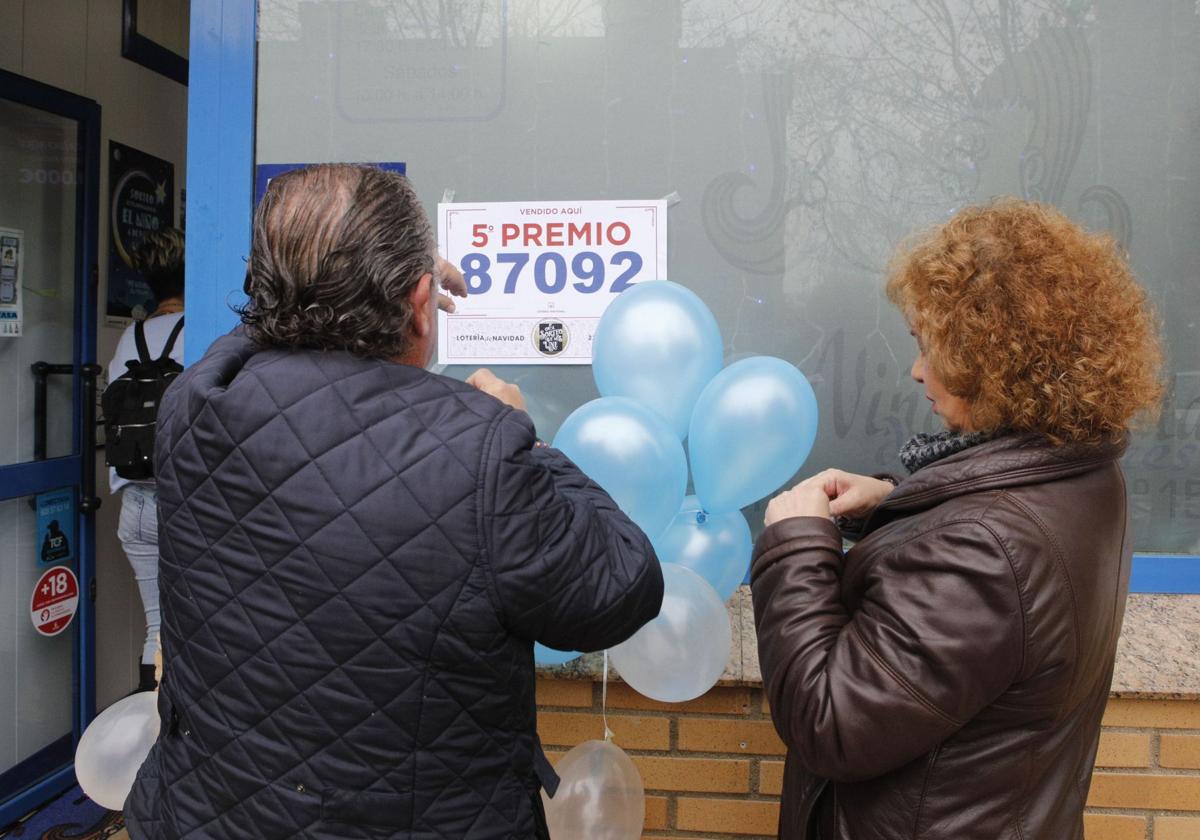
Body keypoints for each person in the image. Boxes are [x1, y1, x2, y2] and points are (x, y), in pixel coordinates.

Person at [123, 164, 664, 839]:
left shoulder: (195, 405)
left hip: (210, 818)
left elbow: (252, 332)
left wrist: (359, 275)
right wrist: (530, 443)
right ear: (418, 304)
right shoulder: (482, 448)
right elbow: (624, 585)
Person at [752, 199, 1164, 839]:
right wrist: (893, 499)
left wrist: (796, 547)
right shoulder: (1083, 473)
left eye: (929, 348)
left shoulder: (984, 550)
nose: (917, 370)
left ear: (996, 359)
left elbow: (830, 722)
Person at [107, 226, 185, 693]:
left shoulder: (128, 339)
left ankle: (149, 732)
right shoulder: (201, 335)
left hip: (136, 501)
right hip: (188, 502)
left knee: (157, 629)